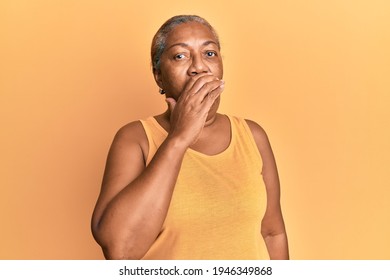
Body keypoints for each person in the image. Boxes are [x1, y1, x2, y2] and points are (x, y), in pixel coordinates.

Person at [91, 15, 289, 260]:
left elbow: (272, 232)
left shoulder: (252, 135)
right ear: (159, 76)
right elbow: (119, 249)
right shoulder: (135, 139)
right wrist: (179, 137)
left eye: (209, 53)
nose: (199, 67)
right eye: (180, 56)